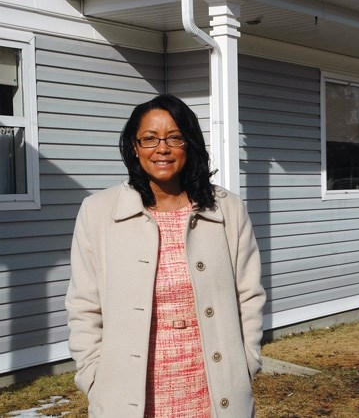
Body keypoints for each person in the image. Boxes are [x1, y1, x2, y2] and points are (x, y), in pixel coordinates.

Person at [65, 94, 266, 418]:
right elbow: (83, 305)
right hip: (128, 395)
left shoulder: (226, 208)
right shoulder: (98, 212)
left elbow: (249, 294)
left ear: (190, 144)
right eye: (150, 139)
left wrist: (247, 361)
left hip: (215, 390)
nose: (162, 148)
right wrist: (92, 377)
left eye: (174, 137)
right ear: (134, 146)